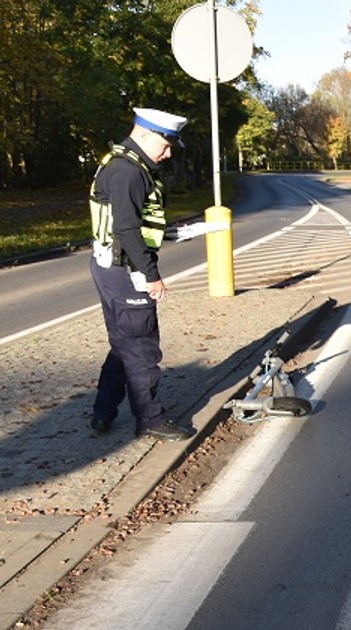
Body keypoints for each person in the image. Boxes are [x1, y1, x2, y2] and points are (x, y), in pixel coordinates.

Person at [88, 107, 196, 440]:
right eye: (165, 145)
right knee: (141, 347)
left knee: (123, 344)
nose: (167, 154)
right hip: (126, 270)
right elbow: (127, 228)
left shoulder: (121, 163)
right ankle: (150, 419)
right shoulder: (128, 172)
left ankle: (102, 413)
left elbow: (132, 220)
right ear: (145, 134)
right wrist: (151, 275)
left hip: (109, 266)